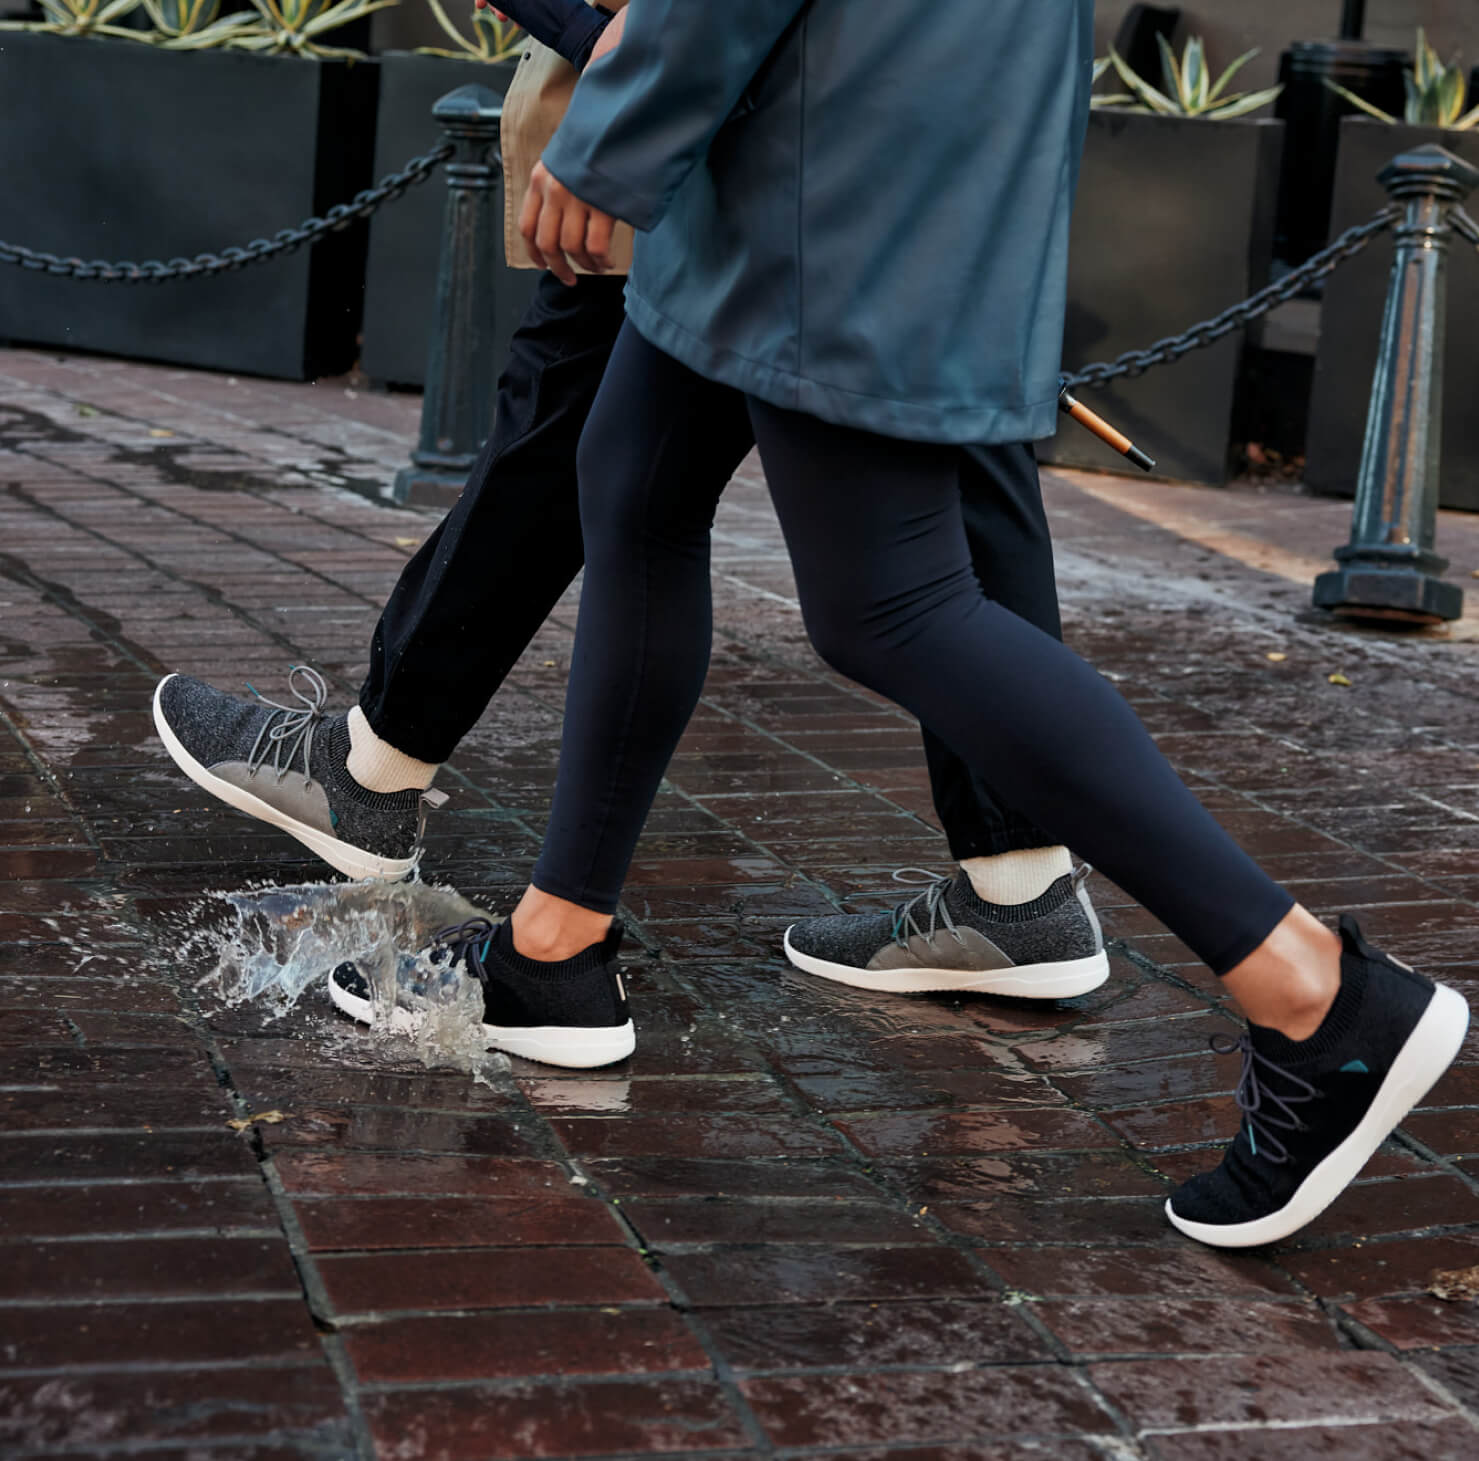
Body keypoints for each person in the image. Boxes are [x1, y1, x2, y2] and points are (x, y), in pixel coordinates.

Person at [321, 0, 1461, 1252]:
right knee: (634, 476)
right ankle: (553, 957)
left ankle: (1314, 993)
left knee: (894, 605)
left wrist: (616, 134)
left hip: (835, 132)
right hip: (860, 108)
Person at [151, 0, 1107, 1040]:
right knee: (747, 470)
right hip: (892, 121)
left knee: (652, 479)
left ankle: (504, 902)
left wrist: (615, 102)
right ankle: (1020, 885)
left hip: (743, 115)